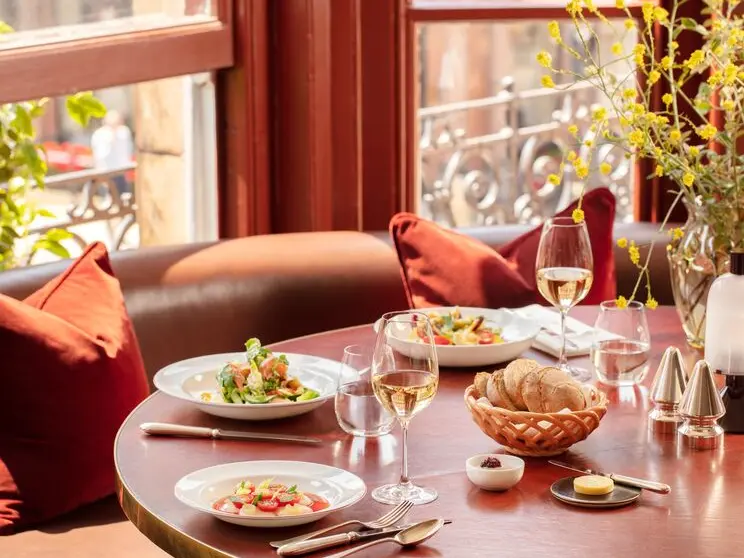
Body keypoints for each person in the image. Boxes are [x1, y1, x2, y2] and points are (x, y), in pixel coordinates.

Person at [90, 110, 134, 196]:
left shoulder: (124, 132)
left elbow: (127, 150)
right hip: (106, 171)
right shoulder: (100, 134)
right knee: (108, 198)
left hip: (121, 171)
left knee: (123, 197)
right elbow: (100, 155)